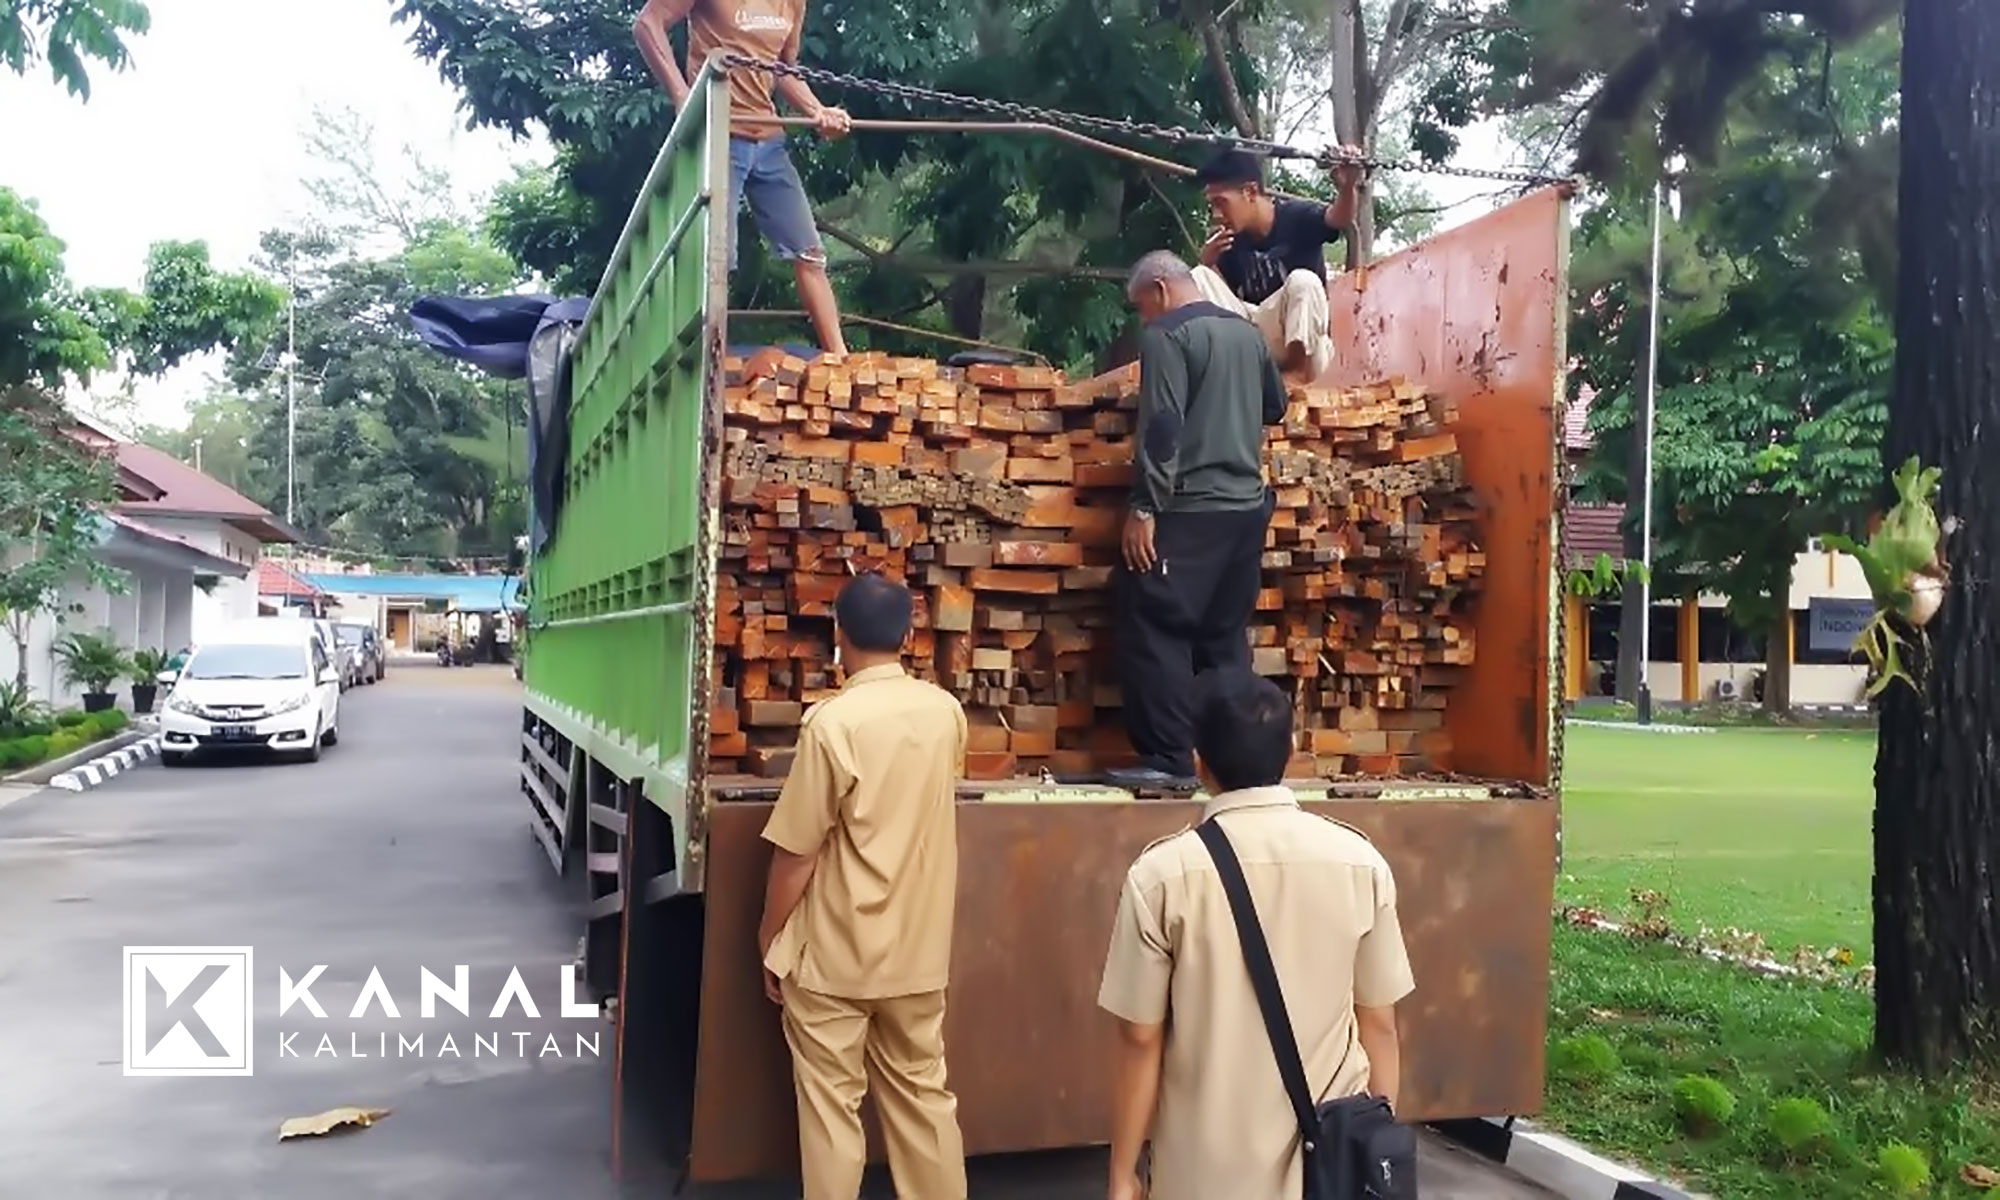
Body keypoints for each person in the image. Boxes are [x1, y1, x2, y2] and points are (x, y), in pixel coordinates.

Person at [1097, 668, 1416, 1200]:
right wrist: (1371, 1153)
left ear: (1198, 763)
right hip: (1326, 1171)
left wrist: (1123, 1172)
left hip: (1204, 1175)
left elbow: (1140, 1039)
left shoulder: (1162, 877)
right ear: (1290, 751)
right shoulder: (1360, 863)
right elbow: (1380, 1024)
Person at [757, 572, 969, 1200]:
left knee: (831, 1113)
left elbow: (798, 850)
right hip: (918, 957)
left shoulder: (832, 725)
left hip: (836, 959)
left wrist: (770, 937)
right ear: (908, 636)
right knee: (925, 1101)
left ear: (838, 634)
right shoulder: (945, 713)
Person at [1110, 251, 1286, 792]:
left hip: (1191, 508)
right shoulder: (1247, 333)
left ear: (1160, 290)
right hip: (1246, 510)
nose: (1144, 318)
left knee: (1153, 620)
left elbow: (1163, 428)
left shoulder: (1168, 336)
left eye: (1142, 306)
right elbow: (1275, 405)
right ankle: (1238, 762)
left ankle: (1170, 759)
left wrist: (1145, 507)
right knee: (1223, 637)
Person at [633, 0, 851, 356]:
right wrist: (682, 95)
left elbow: (783, 68)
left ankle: (841, 358)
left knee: (810, 253)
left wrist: (818, 111)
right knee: (716, 258)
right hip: (720, 133)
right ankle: (700, 359)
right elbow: (647, 24)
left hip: (768, 139)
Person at [1191, 147, 1367, 384]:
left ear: (1250, 192)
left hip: (1307, 346)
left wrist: (1347, 187)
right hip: (1257, 345)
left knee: (1304, 281)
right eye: (1212, 205)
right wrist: (1208, 263)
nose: (1216, 214)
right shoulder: (1228, 241)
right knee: (1198, 275)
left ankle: (1295, 377)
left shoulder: (1295, 216)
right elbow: (1225, 307)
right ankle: (1224, 380)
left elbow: (1339, 218)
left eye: (1221, 203)